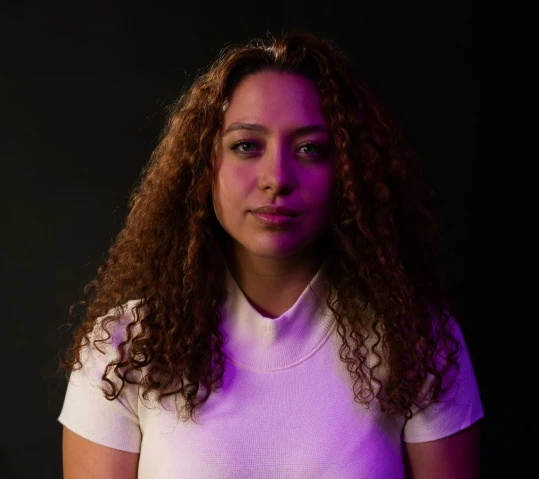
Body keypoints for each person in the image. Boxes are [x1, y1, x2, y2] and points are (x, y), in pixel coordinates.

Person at [57, 31, 484, 479]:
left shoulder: (419, 342)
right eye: (246, 145)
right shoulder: (124, 347)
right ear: (203, 166)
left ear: (349, 174)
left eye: (310, 149)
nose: (276, 177)